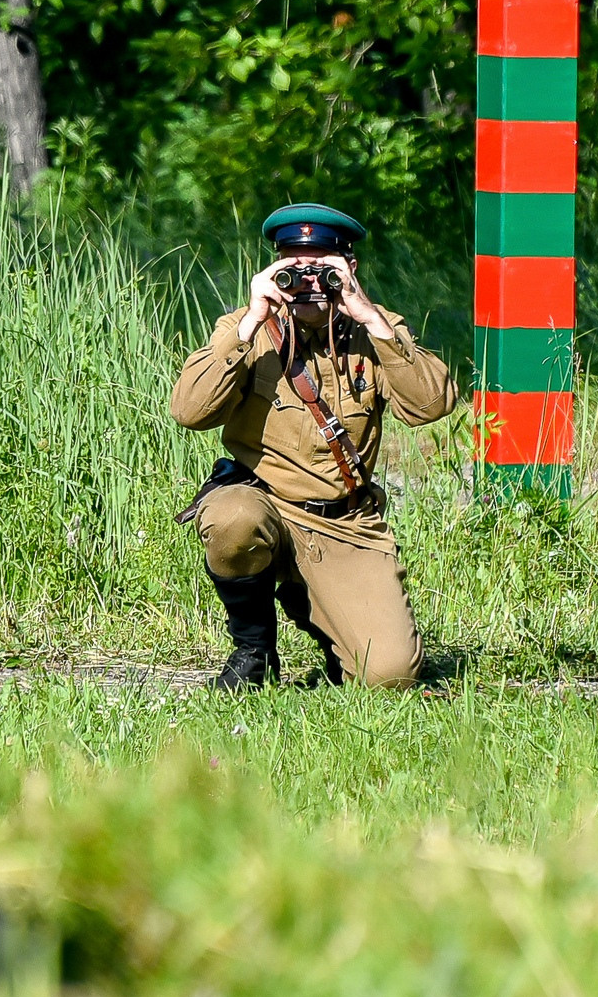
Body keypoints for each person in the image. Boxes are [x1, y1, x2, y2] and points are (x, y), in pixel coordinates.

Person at [170, 203, 458, 690]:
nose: (308, 282)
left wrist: (368, 315)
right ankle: (254, 651)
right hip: (267, 506)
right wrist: (252, 320)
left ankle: (316, 607)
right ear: (274, 269)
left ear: (350, 269)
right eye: (293, 268)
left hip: (345, 523)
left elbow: (432, 404)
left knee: (390, 675)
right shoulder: (247, 329)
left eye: (323, 268)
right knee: (232, 517)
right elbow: (189, 411)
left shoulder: (376, 330)